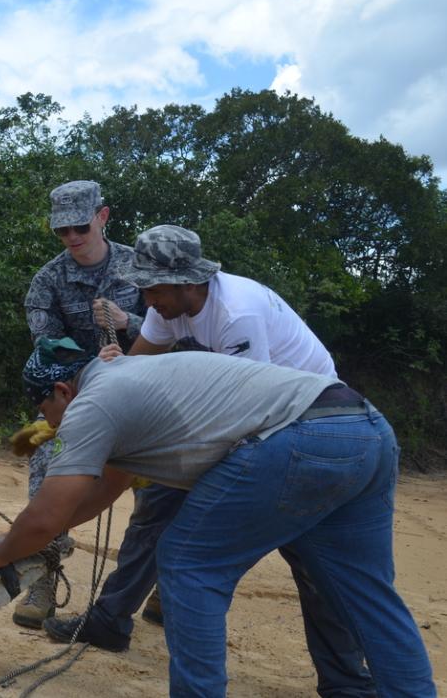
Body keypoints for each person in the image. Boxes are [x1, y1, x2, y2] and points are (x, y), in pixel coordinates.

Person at [0, 339, 435, 697]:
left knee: (187, 563)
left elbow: (44, 517)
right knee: (366, 592)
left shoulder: (93, 402)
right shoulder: (129, 378)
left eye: (46, 411)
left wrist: (0, 551)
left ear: (62, 390)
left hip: (299, 438)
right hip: (364, 428)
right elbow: (106, 487)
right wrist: (45, 531)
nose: (50, 423)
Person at [53, 224, 378, 696]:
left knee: (307, 554)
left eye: (153, 288)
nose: (147, 299)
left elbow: (246, 405)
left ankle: (349, 681)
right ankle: (111, 618)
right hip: (251, 417)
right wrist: (111, 369)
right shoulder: (169, 305)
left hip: (302, 426)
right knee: (157, 504)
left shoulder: (236, 315)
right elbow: (139, 364)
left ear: (188, 281)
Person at [10, 179, 162, 630]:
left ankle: (162, 587)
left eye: (80, 226)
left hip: (147, 400)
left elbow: (180, 328)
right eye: (63, 231)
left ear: (102, 216)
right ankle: (43, 576)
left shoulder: (144, 268)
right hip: (74, 399)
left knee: (161, 492)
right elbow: (46, 353)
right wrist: (92, 365)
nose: (72, 238)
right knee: (36, 453)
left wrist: (128, 323)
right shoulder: (48, 280)